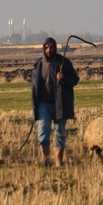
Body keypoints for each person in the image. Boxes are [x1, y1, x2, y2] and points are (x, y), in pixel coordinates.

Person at [31, 37, 79, 167]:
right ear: (43, 48)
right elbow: (34, 87)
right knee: (43, 130)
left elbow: (75, 79)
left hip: (60, 104)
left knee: (60, 133)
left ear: (55, 48)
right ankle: (45, 160)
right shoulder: (38, 65)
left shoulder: (64, 62)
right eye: (46, 47)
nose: (49, 49)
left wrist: (63, 78)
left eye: (51, 47)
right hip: (43, 104)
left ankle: (59, 162)